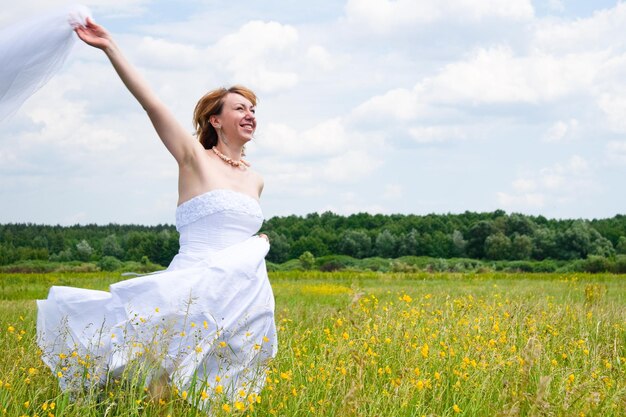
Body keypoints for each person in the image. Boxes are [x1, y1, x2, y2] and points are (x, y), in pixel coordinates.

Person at [36, 17, 277, 411]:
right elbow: (152, 102)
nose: (250, 114)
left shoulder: (256, 180)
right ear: (215, 120)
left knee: (231, 369)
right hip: (193, 282)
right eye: (239, 108)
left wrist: (259, 242)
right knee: (162, 367)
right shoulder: (193, 159)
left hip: (243, 292)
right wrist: (110, 46)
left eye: (253, 109)